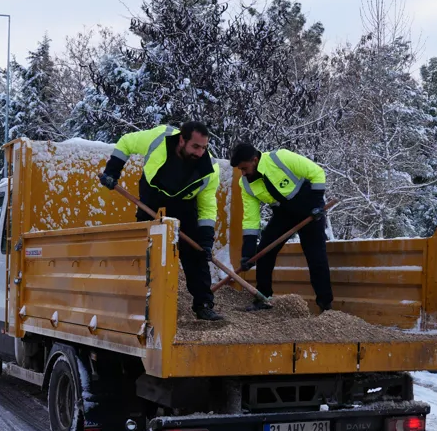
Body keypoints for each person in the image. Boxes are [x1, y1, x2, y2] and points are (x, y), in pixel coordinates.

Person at [99, 122, 223, 321]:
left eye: (204, 148)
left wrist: (206, 240)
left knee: (196, 254)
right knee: (146, 249)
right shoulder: (159, 138)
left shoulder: (209, 169)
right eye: (195, 147)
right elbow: (126, 143)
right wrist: (112, 172)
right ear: (182, 140)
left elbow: (207, 207)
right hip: (152, 198)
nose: (200, 153)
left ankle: (204, 305)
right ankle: (139, 300)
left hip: (184, 205)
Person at [229, 143, 332, 312]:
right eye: (240, 169)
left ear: (255, 160)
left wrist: (317, 202)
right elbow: (250, 218)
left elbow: (316, 172)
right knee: (264, 252)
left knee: (315, 256)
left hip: (310, 209)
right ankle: (263, 297)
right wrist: (248, 252)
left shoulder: (280, 158)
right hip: (283, 213)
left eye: (245, 168)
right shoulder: (246, 184)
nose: (243, 173)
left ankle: (325, 304)